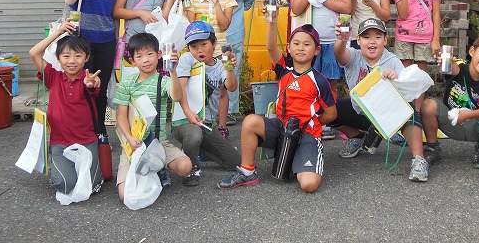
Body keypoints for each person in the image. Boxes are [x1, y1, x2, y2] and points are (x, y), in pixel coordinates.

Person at [217, 10, 337, 193]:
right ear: (289, 47)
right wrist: (272, 21)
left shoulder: (319, 80)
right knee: (250, 121)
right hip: (281, 127)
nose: (301, 48)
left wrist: (311, 124)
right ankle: (247, 172)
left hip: (307, 134)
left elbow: (331, 113)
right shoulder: (284, 69)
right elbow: (271, 47)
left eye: (307, 44)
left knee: (309, 185)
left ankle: (299, 156)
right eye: (296, 44)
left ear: (317, 50)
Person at [332, 18, 429, 182]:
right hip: (362, 113)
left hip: (386, 116)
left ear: (385, 40)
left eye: (378, 37)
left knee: (411, 111)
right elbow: (340, 54)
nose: (372, 41)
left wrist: (395, 78)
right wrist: (341, 40)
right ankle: (356, 137)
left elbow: (407, 90)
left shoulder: (393, 60)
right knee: (328, 109)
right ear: (358, 40)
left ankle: (419, 160)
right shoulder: (354, 56)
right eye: (366, 37)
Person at [112, 32, 191, 202]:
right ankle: (150, 169)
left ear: (159, 55)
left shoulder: (163, 80)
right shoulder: (127, 83)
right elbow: (121, 117)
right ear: (132, 61)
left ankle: (157, 167)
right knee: (125, 195)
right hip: (134, 143)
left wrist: (173, 72)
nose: (146, 59)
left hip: (158, 142)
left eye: (150, 54)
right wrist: (130, 138)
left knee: (185, 167)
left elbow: (177, 96)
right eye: (139, 56)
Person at [29, 21, 104, 196]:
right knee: (65, 186)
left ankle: (96, 175)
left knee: (91, 188)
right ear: (58, 58)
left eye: (78, 56)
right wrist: (59, 32)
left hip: (87, 140)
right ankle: (62, 164)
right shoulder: (52, 77)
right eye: (66, 56)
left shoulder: (89, 78)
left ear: (86, 58)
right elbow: (34, 52)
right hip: (60, 142)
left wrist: (91, 83)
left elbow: (92, 87)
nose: (72, 61)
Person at [63, 0, 126, 135]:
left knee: (101, 87)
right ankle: (81, 129)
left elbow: (115, 12)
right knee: (81, 86)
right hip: (81, 39)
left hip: (106, 40)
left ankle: (99, 131)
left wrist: (117, 39)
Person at [193, 0, 257, 123]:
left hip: (234, 24)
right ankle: (202, 108)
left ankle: (229, 110)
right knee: (204, 65)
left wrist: (233, 11)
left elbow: (249, 0)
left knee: (230, 66)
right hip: (206, 23)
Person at [290, 0, 350, 140]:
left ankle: (326, 121)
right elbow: (296, 8)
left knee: (330, 83)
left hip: (332, 42)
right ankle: (309, 117)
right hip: (309, 44)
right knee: (308, 82)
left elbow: (346, 7)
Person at [421, 34, 479, 170]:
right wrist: (447, 61)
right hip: (451, 120)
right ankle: (432, 148)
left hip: (476, 124)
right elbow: (455, 69)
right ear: (472, 51)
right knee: (428, 105)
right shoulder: (460, 65)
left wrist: (467, 115)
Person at [173, 21, 242, 185]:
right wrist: (188, 112)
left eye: (204, 44)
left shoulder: (219, 66)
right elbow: (180, 89)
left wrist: (230, 69)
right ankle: (192, 167)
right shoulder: (186, 60)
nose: (199, 50)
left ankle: (196, 149)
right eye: (194, 46)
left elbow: (231, 87)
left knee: (235, 162)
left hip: (206, 124)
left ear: (214, 43)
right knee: (194, 134)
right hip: (184, 122)